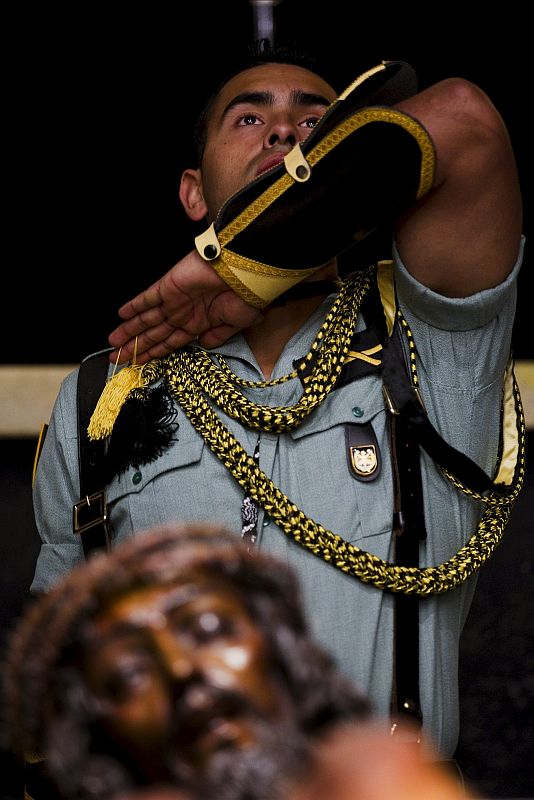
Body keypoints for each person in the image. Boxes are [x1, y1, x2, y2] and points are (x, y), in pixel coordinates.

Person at [30, 38, 525, 763]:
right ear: (193, 192)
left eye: (315, 120)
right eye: (250, 119)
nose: (287, 132)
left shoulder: (427, 348)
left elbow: (466, 124)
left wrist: (248, 264)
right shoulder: (104, 395)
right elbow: (55, 692)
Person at [3, 522, 476, 800]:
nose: (180, 668)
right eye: (129, 674)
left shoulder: (380, 779)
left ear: (285, 655)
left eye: (208, 629)